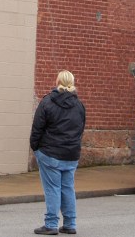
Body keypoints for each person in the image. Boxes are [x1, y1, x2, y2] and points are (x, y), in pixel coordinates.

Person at [29, 70, 86, 236]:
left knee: (53, 188)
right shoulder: (79, 105)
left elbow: (37, 129)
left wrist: (36, 148)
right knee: (68, 188)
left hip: (50, 153)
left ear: (58, 81)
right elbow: (80, 129)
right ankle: (70, 224)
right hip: (71, 154)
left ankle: (51, 224)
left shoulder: (47, 102)